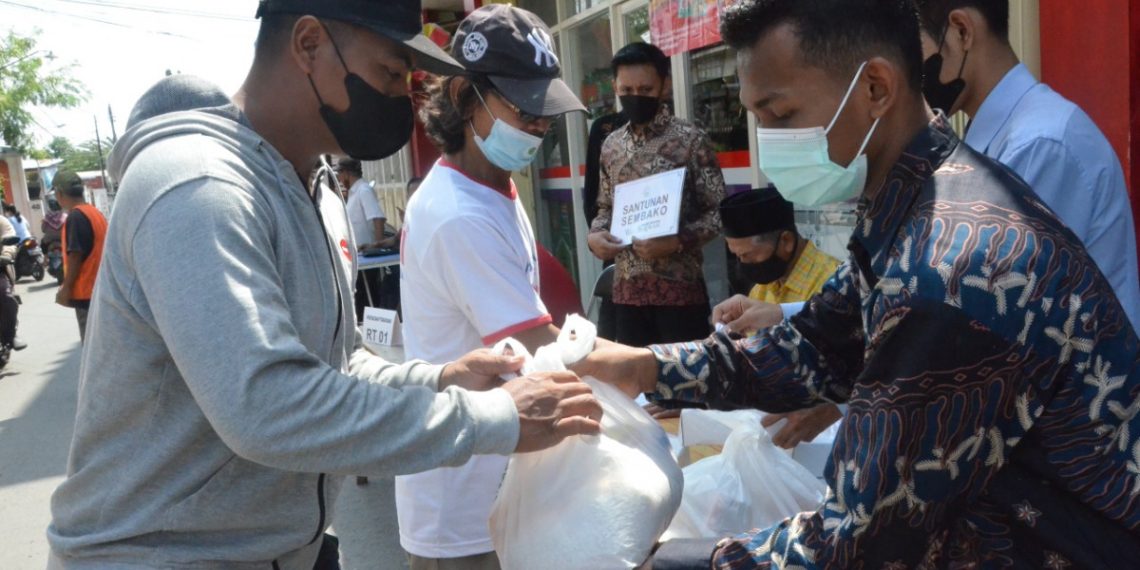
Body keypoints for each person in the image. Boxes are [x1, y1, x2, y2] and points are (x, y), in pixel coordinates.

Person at [577, 0, 1140, 567]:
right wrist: (645, 367)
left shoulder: (950, 268)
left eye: (780, 114)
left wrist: (655, 560)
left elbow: (857, 543)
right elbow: (814, 345)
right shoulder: (919, 201)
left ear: (875, 88)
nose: (768, 141)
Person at [46, 1, 602, 568]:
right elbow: (268, 407)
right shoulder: (198, 186)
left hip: (284, 548)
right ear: (309, 44)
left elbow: (334, 362)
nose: (402, 96)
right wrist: (493, 418)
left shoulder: (318, 191)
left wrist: (438, 379)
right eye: (390, 72)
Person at [399, 6, 587, 569]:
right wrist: (651, 376)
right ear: (464, 97)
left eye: (544, 113)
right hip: (460, 502)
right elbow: (538, 346)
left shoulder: (490, 186)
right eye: (524, 110)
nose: (538, 127)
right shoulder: (458, 214)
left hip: (498, 474)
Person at [916, 0, 1140, 332]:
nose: (912, 73)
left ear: (962, 31)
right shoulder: (1004, 138)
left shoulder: (1039, 144)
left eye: (915, 50)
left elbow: (986, 297)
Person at [587, 42, 725, 347]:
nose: (635, 96)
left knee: (685, 375)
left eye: (645, 89)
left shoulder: (690, 140)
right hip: (627, 295)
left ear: (665, 86)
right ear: (615, 86)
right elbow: (605, 207)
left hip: (681, 294)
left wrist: (677, 241)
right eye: (627, 89)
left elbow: (719, 212)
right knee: (634, 377)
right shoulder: (611, 145)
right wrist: (595, 236)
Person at [52, 171, 107, 343]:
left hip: (87, 294)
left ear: (59, 193)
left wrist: (66, 288)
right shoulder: (95, 213)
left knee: (93, 346)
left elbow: (75, 255)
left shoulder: (75, 217)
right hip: (102, 289)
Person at [337, 156, 394, 319]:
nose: (339, 179)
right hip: (358, 257)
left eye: (339, 174)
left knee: (368, 301)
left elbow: (377, 218)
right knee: (361, 301)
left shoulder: (363, 190)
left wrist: (378, 246)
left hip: (368, 258)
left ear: (346, 173)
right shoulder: (353, 193)